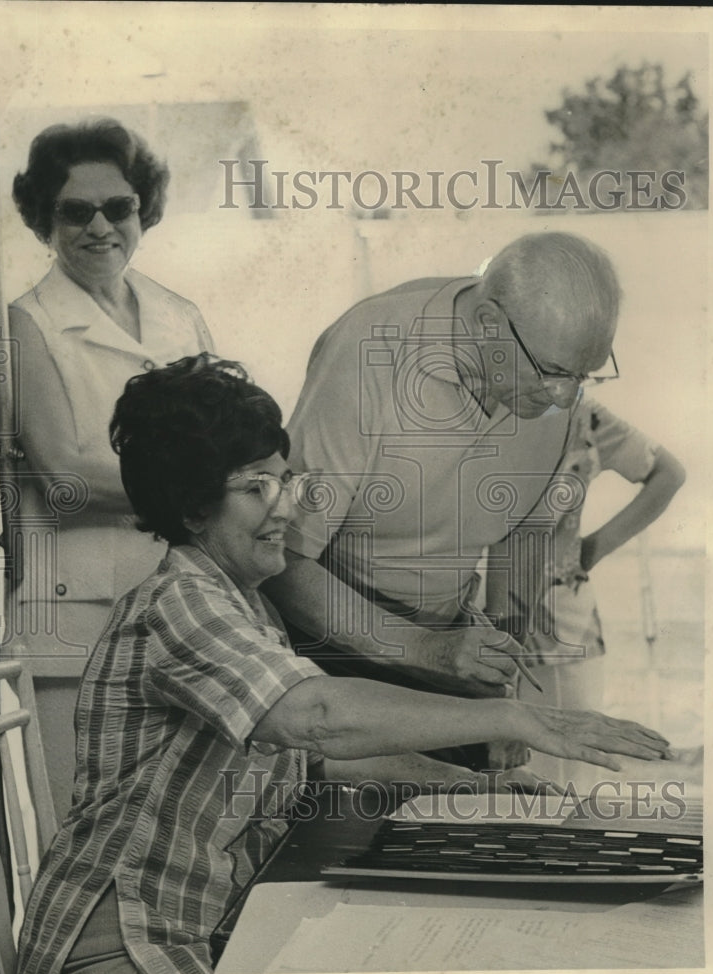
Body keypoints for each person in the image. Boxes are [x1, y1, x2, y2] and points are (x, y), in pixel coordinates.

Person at [16, 354, 672, 974]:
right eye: (255, 487)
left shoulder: (244, 606)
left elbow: (309, 761)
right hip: (119, 941)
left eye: (286, 480)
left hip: (191, 925)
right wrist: (512, 716)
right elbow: (320, 718)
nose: (286, 506)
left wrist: (464, 785)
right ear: (193, 508)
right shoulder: (179, 602)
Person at [263, 231, 623, 770]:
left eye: (583, 375)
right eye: (552, 373)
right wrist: (428, 652)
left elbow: (522, 537)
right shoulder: (369, 354)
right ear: (489, 324)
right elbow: (280, 562)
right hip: (329, 655)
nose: (566, 397)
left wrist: (500, 683)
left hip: (447, 648)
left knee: (485, 813)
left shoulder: (553, 381)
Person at [5, 119, 214, 818]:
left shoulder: (180, 315)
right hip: (73, 616)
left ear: (141, 209)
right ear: (44, 219)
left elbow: (226, 441)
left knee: (173, 818)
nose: (100, 227)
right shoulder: (27, 323)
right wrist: (196, 490)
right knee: (82, 819)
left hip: (178, 607)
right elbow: (64, 474)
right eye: (75, 211)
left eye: (117, 207)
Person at [505, 394, 685, 783]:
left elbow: (669, 474)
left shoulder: (583, 412)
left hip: (555, 628)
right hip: (454, 624)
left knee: (561, 790)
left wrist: (588, 551)